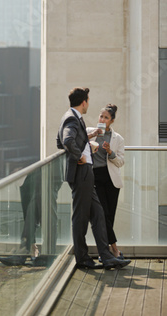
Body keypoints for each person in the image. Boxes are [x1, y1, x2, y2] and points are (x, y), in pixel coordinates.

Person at [56, 87, 130, 270]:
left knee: (98, 215)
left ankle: (107, 257)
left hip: (88, 175)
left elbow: (63, 141)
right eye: (88, 100)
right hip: (82, 174)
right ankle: (82, 258)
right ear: (84, 102)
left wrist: (87, 138)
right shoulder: (72, 118)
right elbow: (65, 141)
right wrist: (80, 156)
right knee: (80, 217)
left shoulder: (73, 117)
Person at [87, 104, 124, 259]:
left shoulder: (118, 138)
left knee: (110, 216)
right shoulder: (90, 132)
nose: (102, 119)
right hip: (95, 177)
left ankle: (105, 252)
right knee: (102, 214)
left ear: (112, 121)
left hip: (111, 180)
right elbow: (77, 142)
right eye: (101, 116)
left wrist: (110, 152)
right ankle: (114, 249)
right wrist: (92, 136)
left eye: (106, 117)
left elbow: (120, 162)